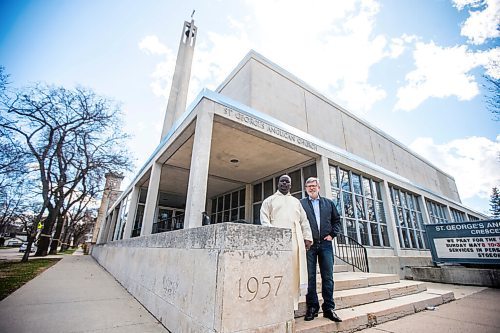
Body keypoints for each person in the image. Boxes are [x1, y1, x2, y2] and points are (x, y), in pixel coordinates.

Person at [260, 175, 313, 311]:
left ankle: (292, 305)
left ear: (290, 185)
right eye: (282, 181)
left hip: (295, 243)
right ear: (278, 184)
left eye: (287, 182)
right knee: (276, 272)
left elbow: (304, 221)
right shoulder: (269, 200)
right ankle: (275, 305)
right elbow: (264, 219)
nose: (284, 183)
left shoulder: (296, 202)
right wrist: (275, 235)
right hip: (276, 243)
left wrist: (307, 237)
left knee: (293, 273)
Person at [300, 177, 342, 322]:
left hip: (325, 245)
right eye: (308, 186)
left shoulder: (328, 203)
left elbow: (337, 220)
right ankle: (312, 307)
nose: (311, 188)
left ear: (319, 187)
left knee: (328, 277)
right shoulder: (301, 204)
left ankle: (329, 308)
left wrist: (332, 234)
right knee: (310, 277)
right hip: (309, 245)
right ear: (306, 188)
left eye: (314, 185)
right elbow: (297, 222)